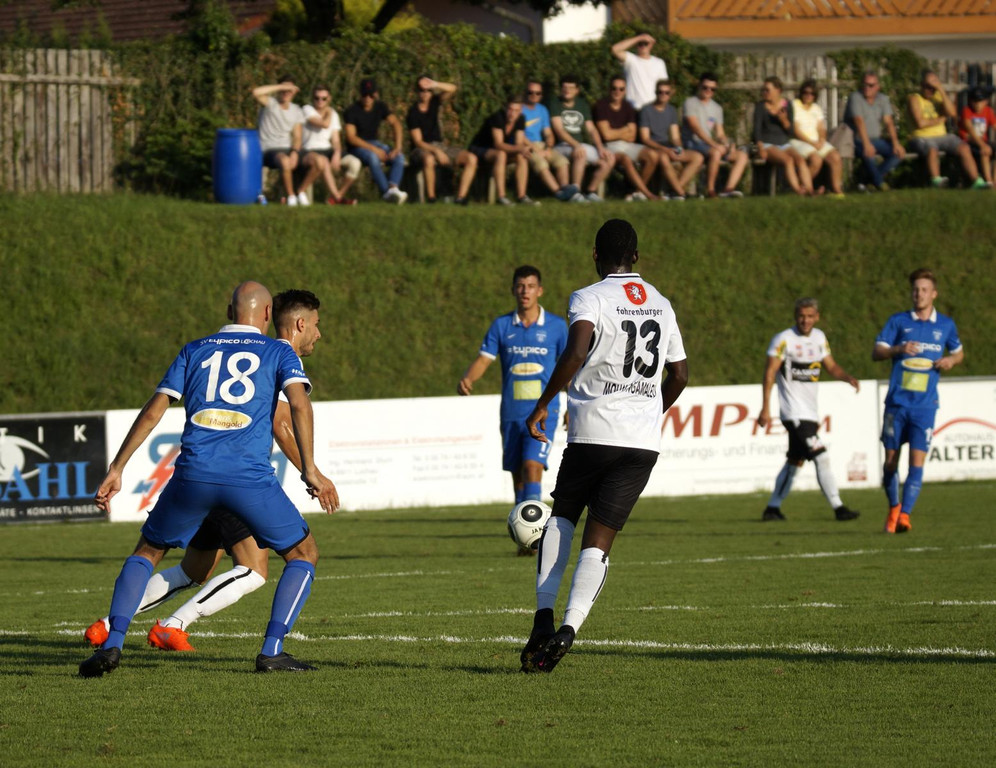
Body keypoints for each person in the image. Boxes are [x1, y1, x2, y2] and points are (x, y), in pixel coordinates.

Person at [78, 282, 338, 678]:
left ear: (229, 311)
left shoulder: (194, 349)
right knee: (302, 554)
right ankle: (272, 651)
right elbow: (298, 406)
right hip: (247, 478)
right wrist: (311, 469)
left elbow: (153, 410)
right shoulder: (278, 351)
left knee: (148, 552)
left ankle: (112, 643)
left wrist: (117, 468)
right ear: (267, 315)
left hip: (193, 475)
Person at [520, 219, 688, 673]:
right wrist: (649, 412)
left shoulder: (589, 297)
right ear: (636, 256)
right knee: (599, 542)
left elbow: (576, 351)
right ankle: (569, 629)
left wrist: (543, 404)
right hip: (641, 443)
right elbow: (680, 374)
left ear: (595, 255)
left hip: (594, 432)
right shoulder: (661, 303)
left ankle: (543, 618)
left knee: (562, 518)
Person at [457, 265, 568, 550]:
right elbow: (484, 358)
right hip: (511, 413)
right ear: (513, 290)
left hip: (544, 412)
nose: (524, 291)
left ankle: (538, 536)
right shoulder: (502, 326)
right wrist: (469, 378)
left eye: (530, 286)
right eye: (520, 286)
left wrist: (574, 403)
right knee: (518, 475)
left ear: (540, 290)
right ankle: (524, 540)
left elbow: (570, 367)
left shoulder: (557, 327)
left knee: (532, 467)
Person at [873, 268, 963, 534]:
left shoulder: (945, 325)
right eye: (915, 289)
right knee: (891, 461)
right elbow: (877, 351)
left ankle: (905, 516)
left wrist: (950, 360)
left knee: (916, 461)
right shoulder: (899, 321)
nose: (919, 294)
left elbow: (958, 352)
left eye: (924, 290)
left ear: (934, 294)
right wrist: (898, 349)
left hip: (925, 406)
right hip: (897, 404)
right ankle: (894, 507)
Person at [757, 298, 860, 522]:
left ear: (817, 317)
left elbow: (830, 365)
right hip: (793, 413)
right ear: (795, 316)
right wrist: (765, 408)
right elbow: (770, 372)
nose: (805, 320)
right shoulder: (783, 339)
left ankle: (772, 508)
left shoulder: (819, 338)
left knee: (795, 461)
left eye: (810, 316)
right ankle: (838, 507)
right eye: (802, 316)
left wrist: (847, 377)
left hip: (810, 413)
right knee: (821, 457)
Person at [908, 70, 987, 190]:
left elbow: (952, 113)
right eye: (928, 87)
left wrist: (941, 89)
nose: (931, 90)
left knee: (963, 147)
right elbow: (920, 123)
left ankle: (976, 181)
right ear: (922, 85)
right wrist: (940, 119)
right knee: (932, 148)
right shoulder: (914, 98)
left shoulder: (938, 97)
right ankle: (936, 181)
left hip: (943, 136)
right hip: (921, 137)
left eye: (933, 87)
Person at [406, 76, 478, 204]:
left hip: (440, 145)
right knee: (429, 159)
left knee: (471, 158)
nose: (425, 93)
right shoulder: (413, 112)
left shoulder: (435, 102)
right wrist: (436, 151)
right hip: (421, 149)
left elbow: (453, 88)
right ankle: (431, 198)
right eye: (421, 90)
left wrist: (434, 84)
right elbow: (418, 141)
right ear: (417, 92)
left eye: (428, 90)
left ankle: (461, 197)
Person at [592, 76, 661, 201]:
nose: (617, 92)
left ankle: (636, 193)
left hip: (628, 145)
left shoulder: (628, 107)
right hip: (609, 147)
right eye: (614, 88)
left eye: (621, 89)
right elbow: (606, 136)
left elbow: (632, 136)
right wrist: (625, 129)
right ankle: (648, 194)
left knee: (653, 155)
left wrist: (614, 132)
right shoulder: (601, 106)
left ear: (625, 91)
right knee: (625, 159)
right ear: (609, 89)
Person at [550, 75, 616, 203]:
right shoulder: (555, 103)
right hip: (562, 146)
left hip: (579, 145)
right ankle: (575, 191)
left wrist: (600, 148)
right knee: (581, 153)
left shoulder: (582, 104)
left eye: (571, 88)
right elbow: (559, 130)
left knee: (609, 158)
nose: (567, 90)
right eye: (564, 87)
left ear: (577, 90)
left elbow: (591, 129)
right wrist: (576, 145)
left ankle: (591, 191)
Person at [681, 72, 748, 198]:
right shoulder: (690, 103)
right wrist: (715, 145)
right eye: (705, 87)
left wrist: (727, 143)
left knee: (742, 156)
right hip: (693, 143)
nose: (708, 91)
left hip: (708, 145)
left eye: (712, 89)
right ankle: (711, 190)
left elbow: (720, 133)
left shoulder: (717, 108)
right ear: (699, 86)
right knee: (716, 152)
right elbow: (695, 128)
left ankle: (728, 189)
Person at [344, 78, 408, 204]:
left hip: (376, 144)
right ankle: (386, 193)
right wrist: (374, 149)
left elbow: (396, 124)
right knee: (373, 157)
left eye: (371, 95)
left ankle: (393, 188)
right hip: (357, 147)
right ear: (360, 94)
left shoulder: (380, 106)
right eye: (365, 95)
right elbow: (351, 138)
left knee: (399, 157)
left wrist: (397, 147)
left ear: (375, 94)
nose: (368, 98)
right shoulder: (351, 111)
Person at [468, 94, 539, 206]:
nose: (512, 114)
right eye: (510, 109)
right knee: (501, 154)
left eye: (516, 110)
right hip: (481, 148)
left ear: (521, 110)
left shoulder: (521, 119)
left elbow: (519, 142)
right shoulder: (497, 117)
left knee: (521, 156)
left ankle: (522, 196)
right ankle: (502, 197)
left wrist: (523, 149)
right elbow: (499, 144)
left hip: (499, 151)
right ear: (506, 108)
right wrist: (521, 148)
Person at [638, 78, 703, 200]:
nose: (663, 95)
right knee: (663, 157)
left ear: (670, 94)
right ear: (655, 92)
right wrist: (665, 150)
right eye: (660, 92)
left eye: (666, 92)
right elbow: (645, 139)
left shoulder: (671, 110)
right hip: (653, 147)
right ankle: (681, 193)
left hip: (668, 146)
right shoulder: (646, 110)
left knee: (697, 157)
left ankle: (675, 191)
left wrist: (679, 148)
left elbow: (675, 136)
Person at [844, 71, 905, 191]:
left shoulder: (883, 99)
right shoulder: (855, 97)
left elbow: (888, 122)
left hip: (876, 140)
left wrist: (896, 143)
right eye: (865, 84)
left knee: (897, 154)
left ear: (878, 87)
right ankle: (880, 184)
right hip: (856, 140)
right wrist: (867, 144)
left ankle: (867, 181)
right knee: (869, 154)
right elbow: (859, 121)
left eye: (871, 85)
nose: (867, 88)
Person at [753, 76, 814, 196]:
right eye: (763, 90)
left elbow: (791, 131)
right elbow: (757, 130)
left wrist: (784, 120)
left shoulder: (787, 105)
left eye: (767, 90)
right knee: (788, 160)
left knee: (800, 160)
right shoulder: (760, 106)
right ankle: (798, 190)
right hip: (767, 143)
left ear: (778, 91)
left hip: (784, 143)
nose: (764, 93)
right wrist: (760, 147)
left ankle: (810, 191)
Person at [300, 86, 361, 205]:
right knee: (324, 161)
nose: (320, 101)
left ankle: (337, 195)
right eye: (317, 98)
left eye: (324, 98)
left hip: (327, 149)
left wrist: (337, 153)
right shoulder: (307, 109)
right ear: (312, 98)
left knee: (355, 163)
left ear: (329, 99)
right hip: (309, 150)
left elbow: (336, 140)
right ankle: (338, 198)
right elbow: (325, 124)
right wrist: (328, 111)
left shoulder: (334, 114)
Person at [521, 79, 580, 202]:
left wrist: (548, 148)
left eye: (537, 93)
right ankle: (558, 193)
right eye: (530, 92)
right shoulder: (519, 109)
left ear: (541, 95)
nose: (534, 95)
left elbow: (548, 133)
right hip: (525, 146)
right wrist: (535, 149)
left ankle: (565, 189)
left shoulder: (542, 110)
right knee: (541, 163)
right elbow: (519, 135)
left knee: (562, 161)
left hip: (542, 145)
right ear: (525, 93)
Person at [252, 75, 305, 205]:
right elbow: (255, 92)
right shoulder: (271, 103)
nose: (286, 92)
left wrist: (295, 152)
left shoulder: (296, 110)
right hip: (267, 149)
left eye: (289, 90)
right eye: (283, 90)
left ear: (294, 92)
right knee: (285, 161)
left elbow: (297, 137)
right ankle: (291, 197)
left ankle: (300, 193)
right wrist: (281, 86)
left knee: (314, 161)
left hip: (287, 149)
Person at [790, 79, 845, 197]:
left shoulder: (816, 108)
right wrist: (811, 143)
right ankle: (801, 187)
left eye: (812, 93)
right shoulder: (794, 105)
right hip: (799, 141)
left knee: (835, 156)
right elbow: (796, 130)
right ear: (801, 93)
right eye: (806, 92)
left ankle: (836, 189)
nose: (809, 96)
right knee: (816, 159)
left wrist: (822, 140)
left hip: (816, 141)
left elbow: (821, 128)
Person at [611, 32, 668, 110]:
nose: (643, 46)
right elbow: (615, 49)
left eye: (645, 43)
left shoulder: (659, 63)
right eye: (640, 43)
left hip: (652, 109)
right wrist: (638, 38)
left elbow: (664, 87)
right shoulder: (631, 60)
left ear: (651, 44)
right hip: (633, 108)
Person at [959, 87, 996, 187]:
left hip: (983, 141)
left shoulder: (988, 111)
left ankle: (995, 180)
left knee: (988, 148)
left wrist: (983, 144)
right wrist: (982, 145)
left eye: (980, 101)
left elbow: (994, 126)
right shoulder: (967, 111)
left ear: (986, 101)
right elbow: (970, 131)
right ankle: (988, 181)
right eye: (974, 101)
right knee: (985, 151)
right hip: (969, 141)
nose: (977, 104)